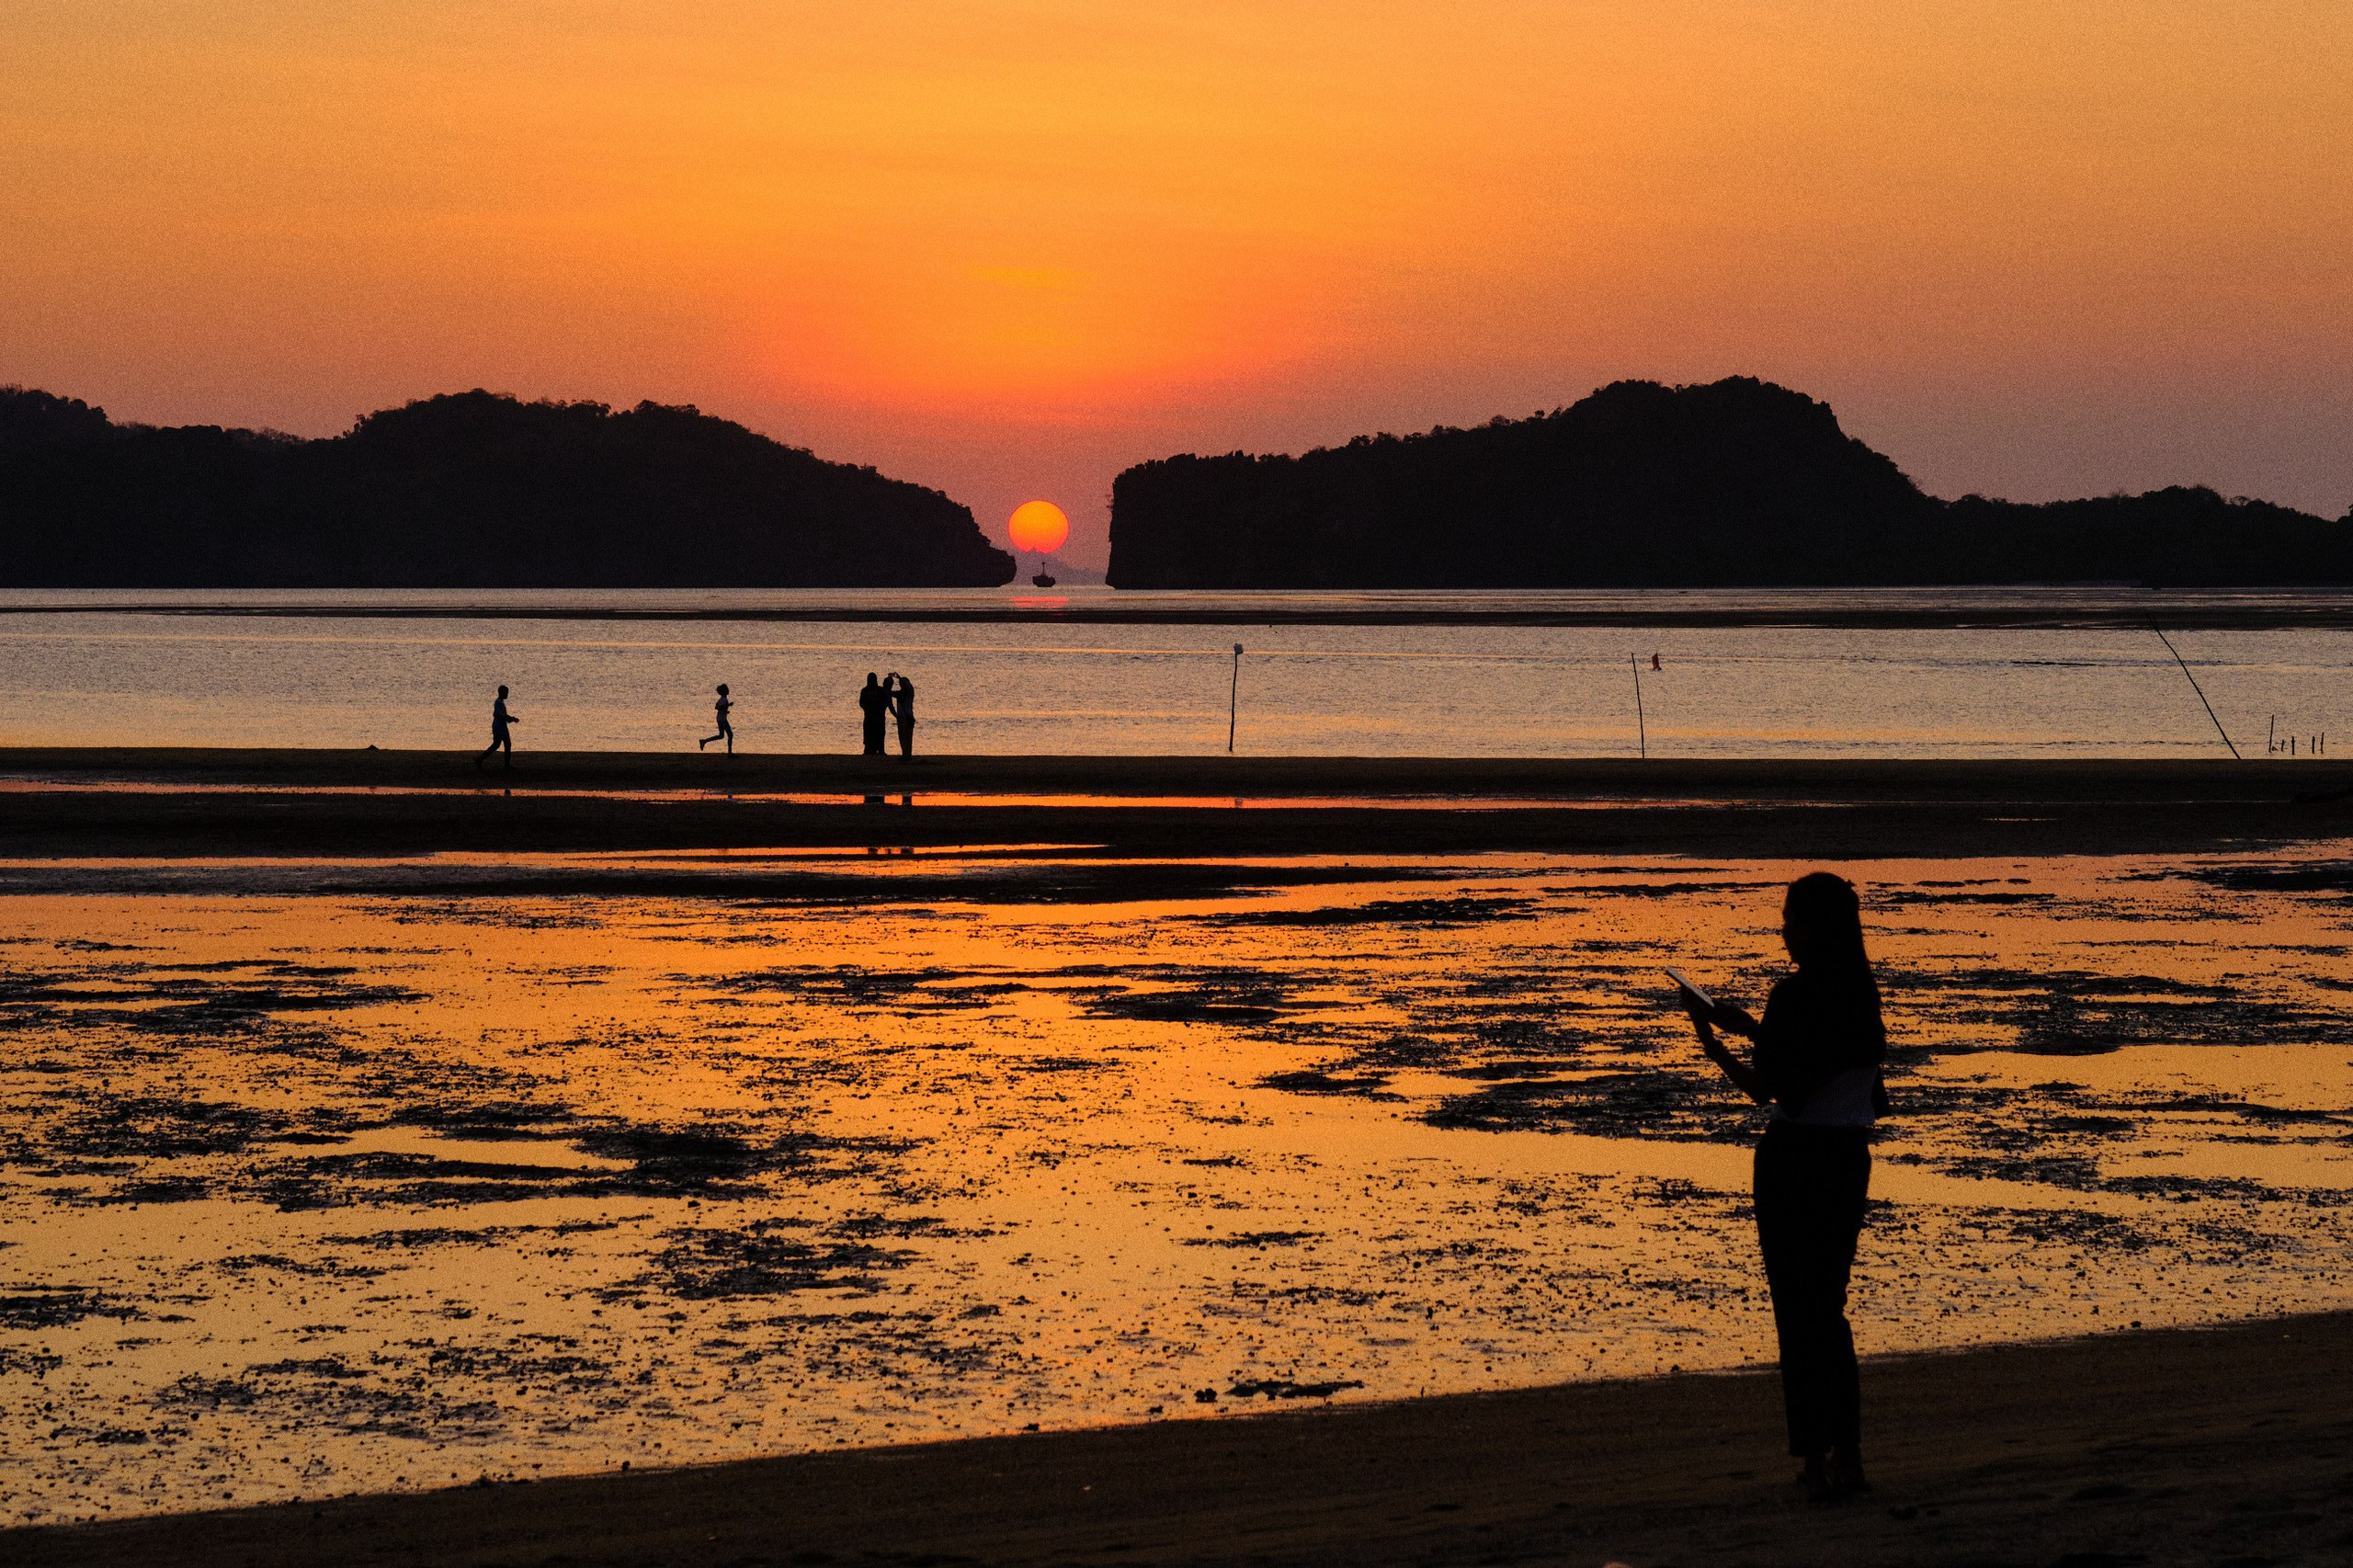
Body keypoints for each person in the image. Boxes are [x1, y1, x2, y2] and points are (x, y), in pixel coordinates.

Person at [1683, 871, 1888, 1502]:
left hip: (1794, 1161)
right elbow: (1812, 1055)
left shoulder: (1793, 996)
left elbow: (1769, 1088)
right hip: (1848, 1159)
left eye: (1791, 921)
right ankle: (1848, 1456)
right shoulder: (1860, 992)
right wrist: (1746, 1029)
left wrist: (1712, 1044)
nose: (1784, 932)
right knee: (1828, 1311)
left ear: (1813, 927)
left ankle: (1817, 1462)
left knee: (1797, 1317)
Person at [475, 686, 517, 770]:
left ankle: (480, 759)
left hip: (500, 726)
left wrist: (509, 719)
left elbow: (500, 715)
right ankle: (507, 765)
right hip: (500, 727)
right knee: (506, 744)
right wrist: (511, 719)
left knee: (497, 745)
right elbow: (497, 714)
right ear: (501, 693)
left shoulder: (500, 703)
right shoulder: (498, 703)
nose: (507, 694)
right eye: (506, 693)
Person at [858, 672, 890, 755]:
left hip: (878, 716)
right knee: (869, 733)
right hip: (870, 716)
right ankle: (869, 750)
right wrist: (868, 709)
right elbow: (862, 703)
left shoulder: (880, 690)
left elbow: (885, 701)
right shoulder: (865, 690)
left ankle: (880, 750)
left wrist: (881, 709)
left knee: (879, 733)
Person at [887, 670, 915, 757]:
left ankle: (907, 755)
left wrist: (899, 677)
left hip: (908, 717)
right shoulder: (899, 694)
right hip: (902, 718)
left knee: (907, 737)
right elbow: (889, 692)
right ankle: (905, 754)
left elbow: (908, 686)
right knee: (902, 737)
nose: (901, 684)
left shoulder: (909, 693)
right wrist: (889, 678)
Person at [699, 684, 734, 753]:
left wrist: (725, 711)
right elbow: (719, 708)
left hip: (721, 719)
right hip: (722, 720)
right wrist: (728, 705)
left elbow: (717, 707)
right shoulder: (723, 700)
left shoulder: (722, 699)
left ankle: (704, 741)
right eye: (727, 689)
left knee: (722, 735)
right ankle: (729, 753)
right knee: (729, 735)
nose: (728, 690)